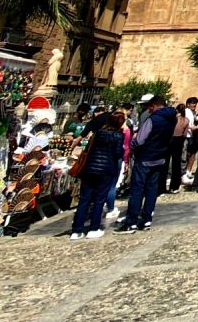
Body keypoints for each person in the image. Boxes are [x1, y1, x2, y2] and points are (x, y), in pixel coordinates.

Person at [119, 94, 178, 232]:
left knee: (137, 190)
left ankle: (131, 222)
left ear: (154, 105)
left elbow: (140, 140)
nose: (148, 110)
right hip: (160, 157)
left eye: (149, 107)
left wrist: (132, 143)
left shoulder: (153, 119)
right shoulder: (172, 118)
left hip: (145, 158)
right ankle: (146, 219)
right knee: (152, 190)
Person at [71, 113, 125, 239]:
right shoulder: (118, 135)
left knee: (84, 199)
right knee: (99, 200)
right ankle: (94, 228)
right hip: (106, 170)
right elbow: (118, 153)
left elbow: (89, 148)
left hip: (90, 168)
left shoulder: (98, 133)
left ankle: (76, 230)